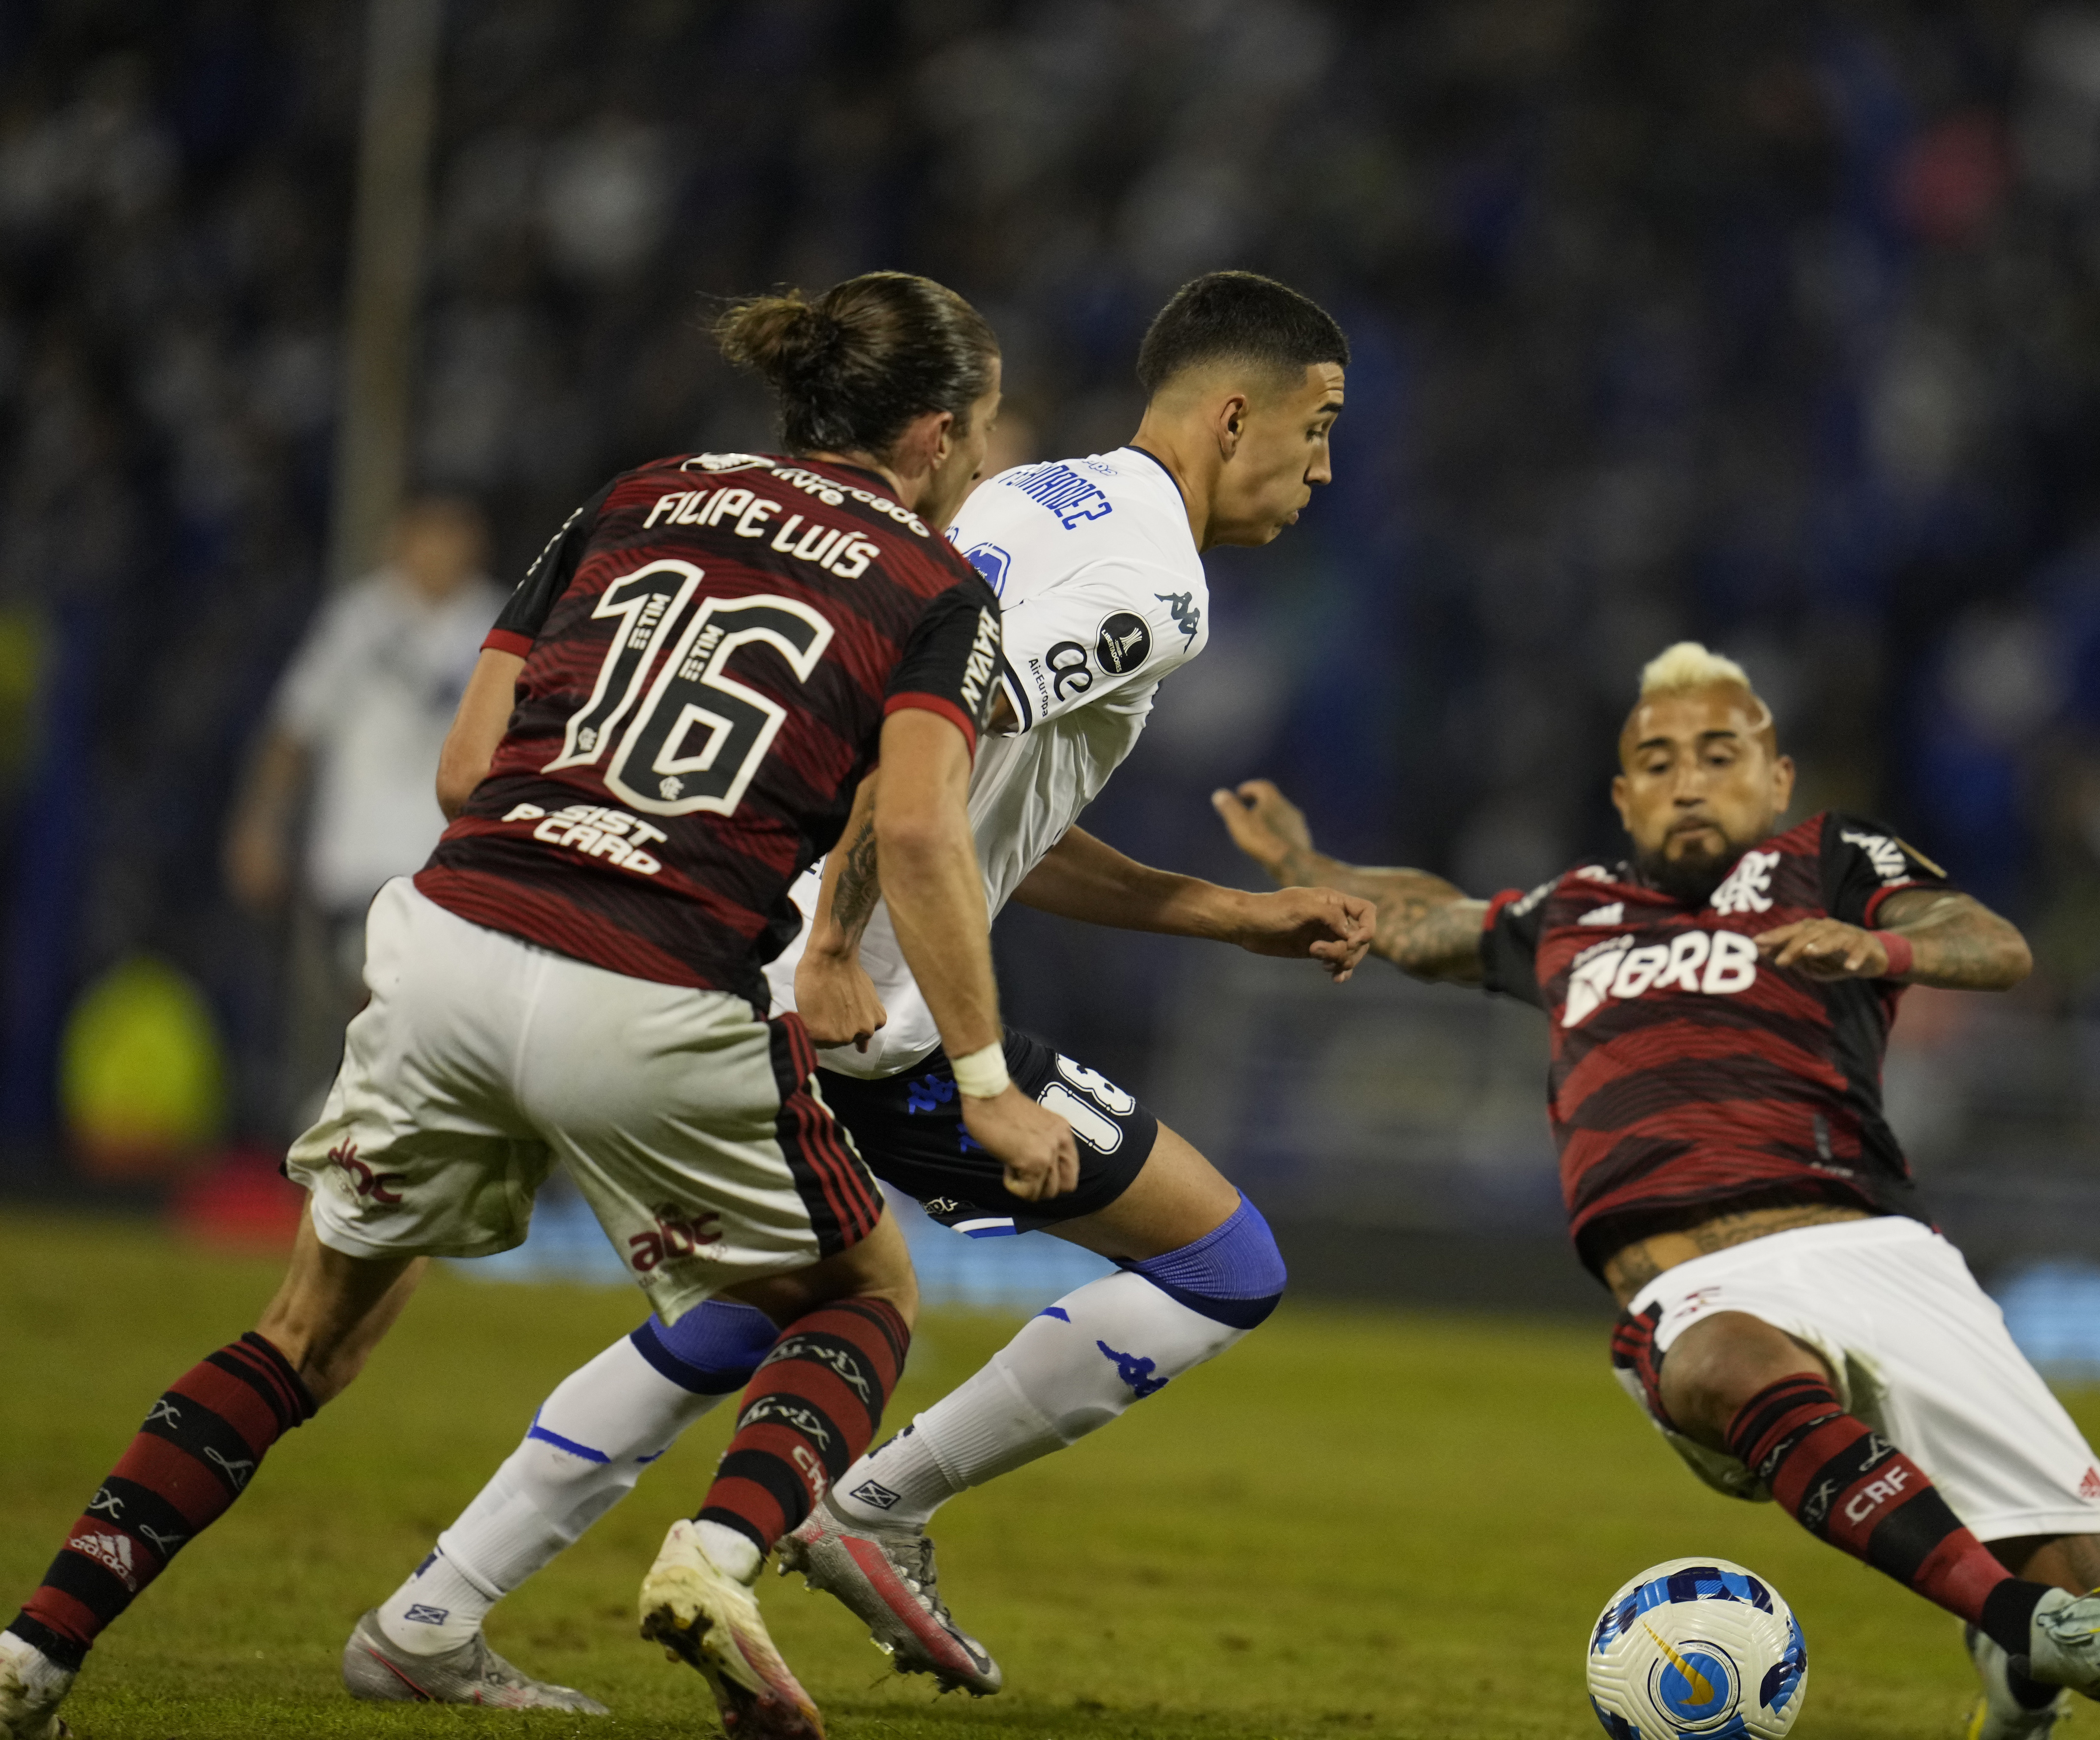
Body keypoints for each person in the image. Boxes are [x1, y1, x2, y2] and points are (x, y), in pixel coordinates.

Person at [0, 271, 1081, 1740]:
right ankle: (714, 1559)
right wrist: (982, 1075)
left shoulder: (636, 496)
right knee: (860, 1295)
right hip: (649, 982)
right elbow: (918, 831)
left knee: (306, 1333)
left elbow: (463, 770)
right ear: (946, 430)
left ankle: (38, 1651)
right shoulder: (935, 588)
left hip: (451, 932)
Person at [341, 270, 1371, 1707]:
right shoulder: (1157, 590)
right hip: (858, 1004)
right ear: (1235, 413)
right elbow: (909, 780)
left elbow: (988, 806)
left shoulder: (1027, 498)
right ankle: (865, 1504)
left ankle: (431, 1618)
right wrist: (835, 948)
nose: (1323, 469)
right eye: (1319, 430)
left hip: (740, 967)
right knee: (1220, 1263)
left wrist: (1230, 915)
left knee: (748, 1310)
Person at [1209, 643, 2100, 1740]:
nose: (1687, 779)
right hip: (1695, 1282)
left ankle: (2022, 1667)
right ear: (1623, 795)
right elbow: (1417, 917)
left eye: (1719, 755)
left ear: (1777, 780)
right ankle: (2018, 1614)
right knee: (1726, 1357)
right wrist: (1302, 852)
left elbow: (1990, 942)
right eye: (1657, 760)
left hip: (1876, 1245)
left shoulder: (1829, 858)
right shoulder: (1568, 909)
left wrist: (1873, 946)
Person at [225, 496, 502, 1114]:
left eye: (454, 531)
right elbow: (294, 730)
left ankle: (353, 1118)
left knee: (413, 1015)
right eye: (429, 531)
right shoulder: (358, 621)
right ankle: (362, 1121)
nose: (440, 547)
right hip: (356, 864)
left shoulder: (497, 624)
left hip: (451, 866)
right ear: (402, 537)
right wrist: (260, 824)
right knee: (388, 1000)